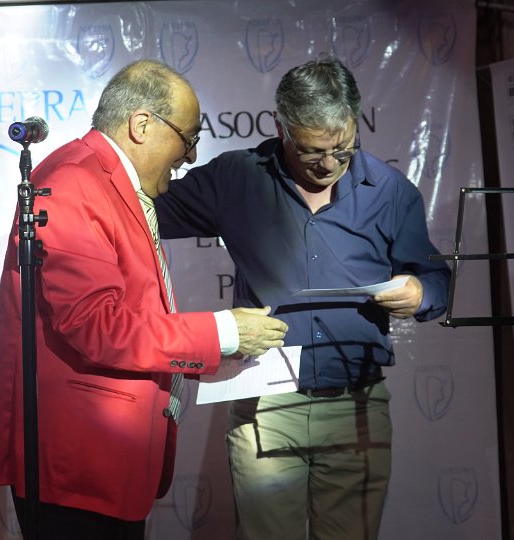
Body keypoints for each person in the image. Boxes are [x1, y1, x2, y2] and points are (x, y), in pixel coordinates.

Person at [0, 59, 289, 540]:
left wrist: (218, 350)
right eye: (188, 138)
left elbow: (127, 316)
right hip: (77, 462)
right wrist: (221, 331)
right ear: (141, 125)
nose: (191, 156)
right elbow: (95, 324)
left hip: (102, 461)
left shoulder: (106, 180)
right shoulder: (76, 181)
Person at [155, 55, 451, 539]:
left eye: (343, 149)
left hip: (357, 404)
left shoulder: (390, 191)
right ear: (281, 128)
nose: (329, 164)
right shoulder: (237, 178)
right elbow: (144, 207)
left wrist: (422, 291)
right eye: (313, 151)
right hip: (265, 403)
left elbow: (436, 278)